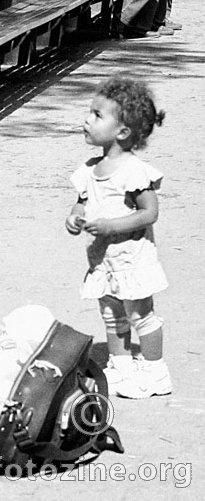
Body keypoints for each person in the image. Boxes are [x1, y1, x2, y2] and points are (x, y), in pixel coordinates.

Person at [66, 76, 171, 399]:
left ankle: (155, 371)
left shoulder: (133, 171)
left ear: (122, 132)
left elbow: (149, 213)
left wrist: (112, 226)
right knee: (111, 312)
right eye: (89, 112)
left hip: (132, 258)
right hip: (103, 259)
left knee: (140, 313)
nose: (87, 119)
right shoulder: (90, 168)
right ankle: (121, 365)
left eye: (97, 115)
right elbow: (84, 201)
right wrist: (75, 216)